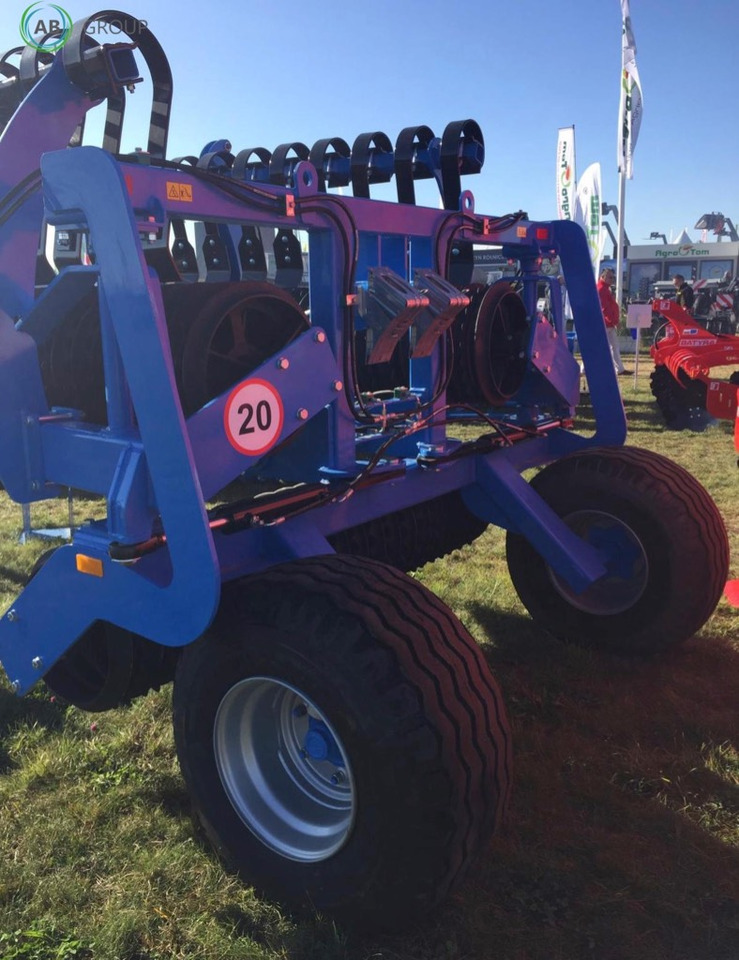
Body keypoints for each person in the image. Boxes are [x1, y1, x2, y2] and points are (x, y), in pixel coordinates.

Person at [597, 267, 627, 375]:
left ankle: (619, 369)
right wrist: (614, 321)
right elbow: (604, 308)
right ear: (603, 277)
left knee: (613, 346)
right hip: (604, 323)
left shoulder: (605, 288)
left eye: (613, 277)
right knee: (599, 347)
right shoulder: (601, 289)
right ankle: (584, 369)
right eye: (610, 277)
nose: (612, 279)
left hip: (608, 323)